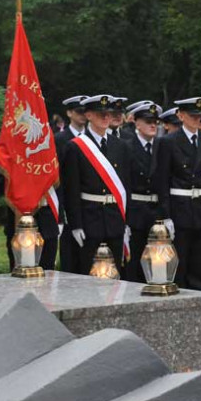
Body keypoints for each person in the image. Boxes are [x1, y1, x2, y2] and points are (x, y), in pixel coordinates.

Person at [154, 97, 201, 291]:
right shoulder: (168, 142)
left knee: (200, 261)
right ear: (180, 116)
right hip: (179, 207)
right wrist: (165, 215)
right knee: (180, 260)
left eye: (199, 116)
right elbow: (162, 180)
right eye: (192, 116)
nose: (197, 120)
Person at [63, 95, 132, 275]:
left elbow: (126, 185)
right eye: (100, 114)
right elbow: (72, 189)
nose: (106, 118)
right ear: (89, 115)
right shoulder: (76, 147)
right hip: (89, 217)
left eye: (108, 114)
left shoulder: (121, 146)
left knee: (115, 270)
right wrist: (76, 224)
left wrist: (126, 221)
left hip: (114, 217)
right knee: (89, 270)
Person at [125, 102, 162, 282]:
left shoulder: (162, 147)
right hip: (136, 210)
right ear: (136, 123)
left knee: (157, 262)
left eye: (155, 121)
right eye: (148, 121)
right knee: (135, 260)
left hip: (156, 211)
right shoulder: (127, 147)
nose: (153, 125)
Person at [54, 95, 88, 273]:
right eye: (78, 112)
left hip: (90, 205)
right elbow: (59, 179)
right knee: (70, 258)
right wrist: (60, 215)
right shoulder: (60, 139)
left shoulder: (92, 138)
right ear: (69, 113)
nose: (83, 115)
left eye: (85, 112)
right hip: (68, 203)